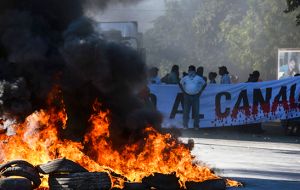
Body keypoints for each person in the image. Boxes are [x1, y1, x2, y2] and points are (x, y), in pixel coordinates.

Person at [180, 65, 206, 129]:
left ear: (194, 71)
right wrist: (183, 91)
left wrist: (200, 92)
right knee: (186, 111)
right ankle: (185, 125)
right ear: (188, 71)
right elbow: (180, 83)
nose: (190, 72)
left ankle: (196, 125)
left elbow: (204, 84)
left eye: (192, 70)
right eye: (189, 70)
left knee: (196, 111)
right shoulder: (185, 78)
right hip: (187, 96)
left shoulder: (198, 78)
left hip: (196, 96)